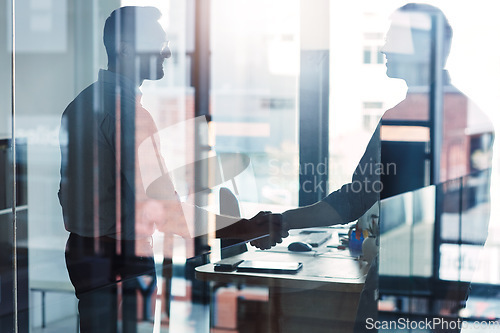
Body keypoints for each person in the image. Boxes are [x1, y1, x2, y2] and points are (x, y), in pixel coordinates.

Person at [253, 3, 494, 332]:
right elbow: (473, 218)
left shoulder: (409, 118)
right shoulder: (468, 114)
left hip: (405, 295)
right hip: (431, 294)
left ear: (421, 46)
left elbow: (355, 200)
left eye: (393, 37)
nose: (383, 48)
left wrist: (281, 222)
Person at [59, 6, 284, 332]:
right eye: (158, 43)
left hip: (84, 253)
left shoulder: (78, 105)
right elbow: (163, 209)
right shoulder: (129, 115)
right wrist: (245, 227)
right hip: (120, 259)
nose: (167, 52)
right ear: (125, 49)